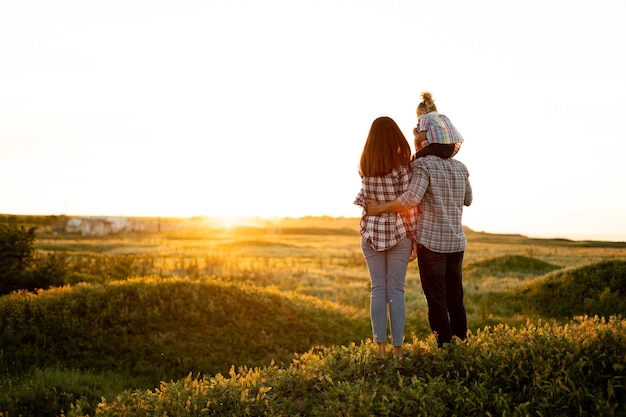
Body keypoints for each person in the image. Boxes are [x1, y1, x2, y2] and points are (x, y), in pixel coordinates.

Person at [367, 97, 472, 348]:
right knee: (455, 297)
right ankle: (461, 342)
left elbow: (411, 199)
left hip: (432, 245)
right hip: (456, 243)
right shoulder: (460, 167)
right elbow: (468, 200)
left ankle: (445, 347)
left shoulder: (423, 164)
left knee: (436, 298)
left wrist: (380, 207)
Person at [354, 116, 417, 358]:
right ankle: (398, 351)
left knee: (378, 289)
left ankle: (380, 348)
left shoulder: (364, 167)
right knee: (396, 291)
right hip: (398, 233)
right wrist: (413, 238)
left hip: (370, 234)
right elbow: (407, 205)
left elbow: (366, 203)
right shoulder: (402, 167)